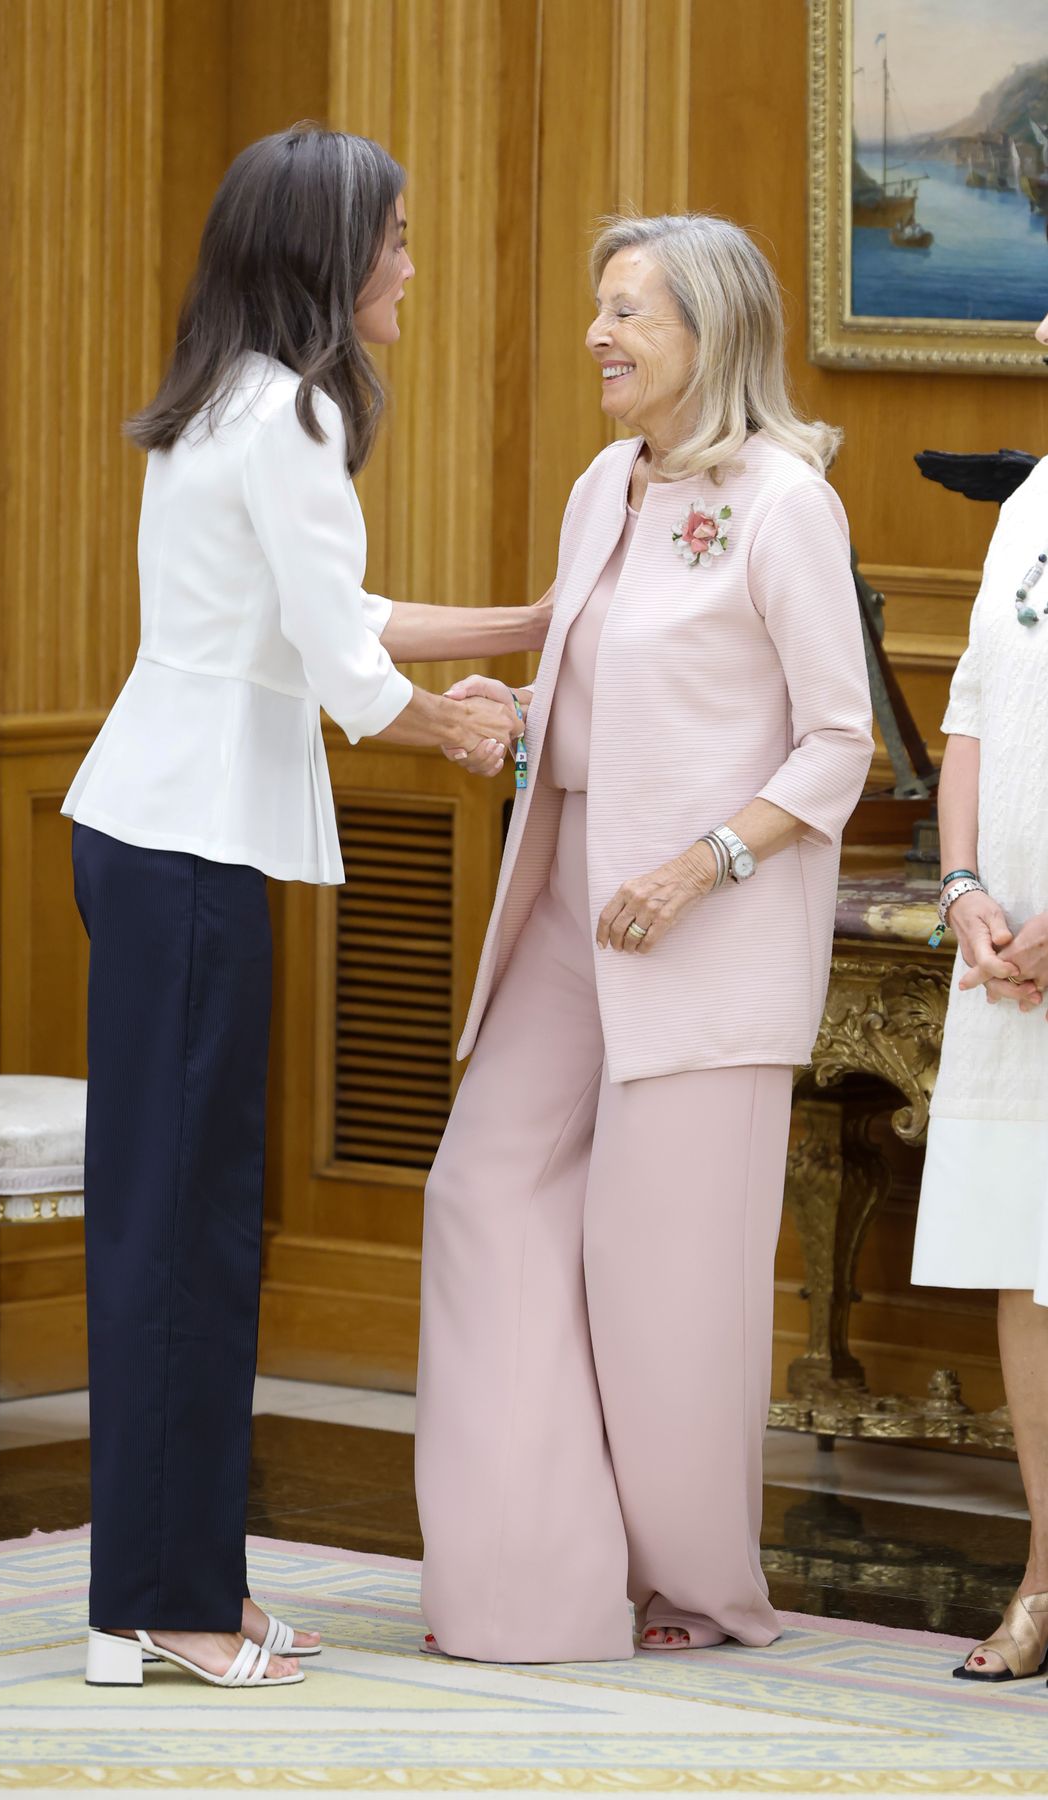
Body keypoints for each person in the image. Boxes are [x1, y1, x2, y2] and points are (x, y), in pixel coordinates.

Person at [64, 124, 543, 1691]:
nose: (411, 265)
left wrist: (534, 617)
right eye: (395, 240)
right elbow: (353, 675)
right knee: (190, 1239)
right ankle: (178, 1604)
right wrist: (467, 721)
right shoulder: (298, 418)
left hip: (151, 837)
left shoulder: (229, 402)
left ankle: (149, 1589)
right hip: (190, 851)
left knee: (168, 1230)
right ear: (332, 258)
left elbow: (333, 615)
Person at [414, 212, 874, 1664]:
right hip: (562, 905)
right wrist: (504, 724)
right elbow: (591, 678)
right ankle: (529, 1579)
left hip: (701, 932)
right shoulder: (602, 481)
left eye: (631, 312)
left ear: (711, 332)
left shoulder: (788, 502)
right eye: (599, 306)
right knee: (480, 1193)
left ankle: (697, 1585)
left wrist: (701, 864)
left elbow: (839, 741)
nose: (600, 335)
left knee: (666, 1272)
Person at [911, 301, 1048, 1686]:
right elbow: (967, 715)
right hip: (1005, 967)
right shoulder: (1031, 504)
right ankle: (1043, 1577)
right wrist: (961, 889)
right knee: (1030, 1266)